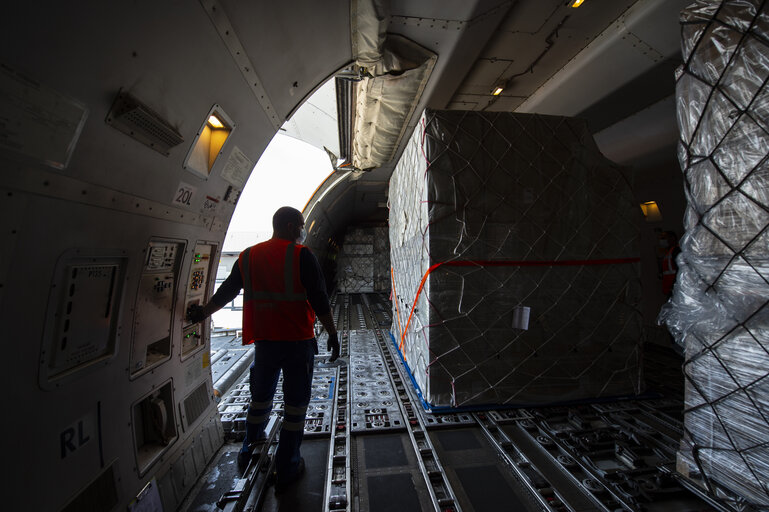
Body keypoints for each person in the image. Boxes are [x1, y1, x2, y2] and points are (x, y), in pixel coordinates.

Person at [188, 206, 340, 492]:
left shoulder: (248, 256)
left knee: (259, 401)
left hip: (265, 342)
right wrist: (332, 333)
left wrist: (203, 312)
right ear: (291, 225)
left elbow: (227, 291)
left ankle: (248, 454)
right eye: (301, 226)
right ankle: (288, 465)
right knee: (295, 406)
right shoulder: (301, 255)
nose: (302, 231)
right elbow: (319, 298)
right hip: (297, 341)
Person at [660, 230, 681, 298]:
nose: (662, 241)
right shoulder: (669, 252)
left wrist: (673, 286)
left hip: (674, 288)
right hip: (670, 288)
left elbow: (680, 269)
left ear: (672, 238)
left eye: (664, 238)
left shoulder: (676, 251)